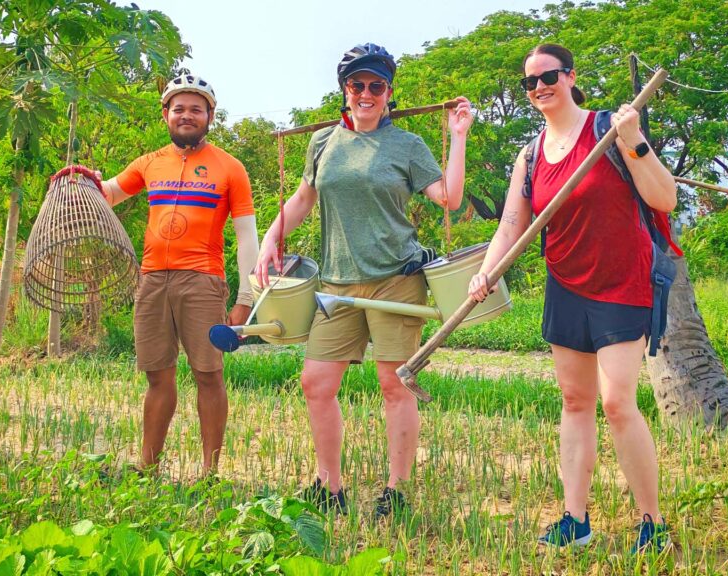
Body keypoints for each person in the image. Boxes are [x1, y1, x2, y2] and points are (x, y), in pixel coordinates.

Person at [467, 44, 677, 553]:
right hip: (566, 283)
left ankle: (652, 523)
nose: (539, 86)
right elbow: (512, 225)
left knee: (617, 401)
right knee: (575, 400)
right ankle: (575, 520)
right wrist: (486, 271)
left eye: (548, 76)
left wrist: (636, 143)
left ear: (570, 76)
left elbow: (665, 198)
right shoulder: (531, 152)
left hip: (621, 283)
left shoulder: (610, 128)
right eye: (530, 81)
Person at [255, 43, 473, 518]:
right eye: (357, 85)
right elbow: (302, 199)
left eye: (376, 85)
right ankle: (329, 488)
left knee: (394, 385)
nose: (366, 93)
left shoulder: (408, 145)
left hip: (396, 278)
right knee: (316, 382)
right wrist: (272, 238)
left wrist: (457, 136)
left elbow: (450, 198)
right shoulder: (323, 143)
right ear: (345, 91)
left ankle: (395, 493)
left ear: (389, 92)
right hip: (336, 283)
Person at [70, 74, 260, 476]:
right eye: (179, 109)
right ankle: (147, 468)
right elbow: (109, 194)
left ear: (210, 115)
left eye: (196, 109)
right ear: (166, 115)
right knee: (158, 376)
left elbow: (247, 237)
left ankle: (210, 474)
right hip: (153, 280)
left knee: (208, 375)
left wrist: (246, 299)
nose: (186, 115)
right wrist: (82, 180)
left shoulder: (230, 168)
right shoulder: (150, 163)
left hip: (203, 282)